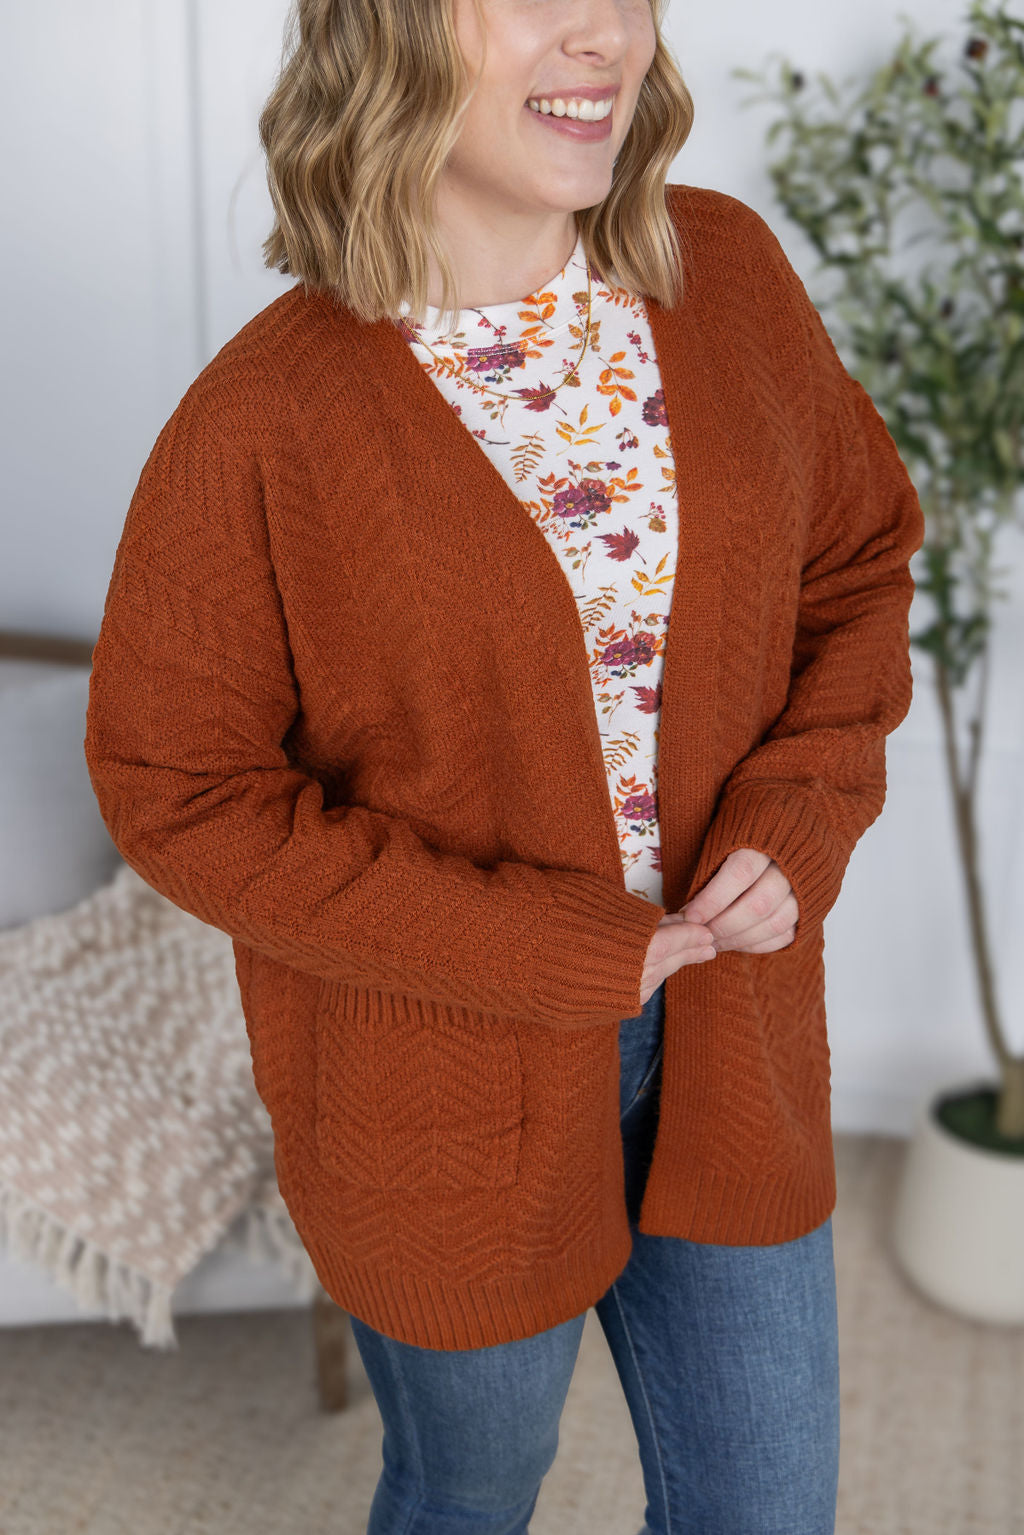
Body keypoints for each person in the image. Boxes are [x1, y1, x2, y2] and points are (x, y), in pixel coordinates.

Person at [83, 0, 925, 1530]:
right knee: (471, 1489)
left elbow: (859, 562)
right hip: (438, 1095)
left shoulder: (725, 273)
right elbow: (179, 789)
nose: (604, 32)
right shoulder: (264, 418)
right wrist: (539, 946)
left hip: (733, 1035)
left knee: (767, 1507)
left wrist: (801, 809)